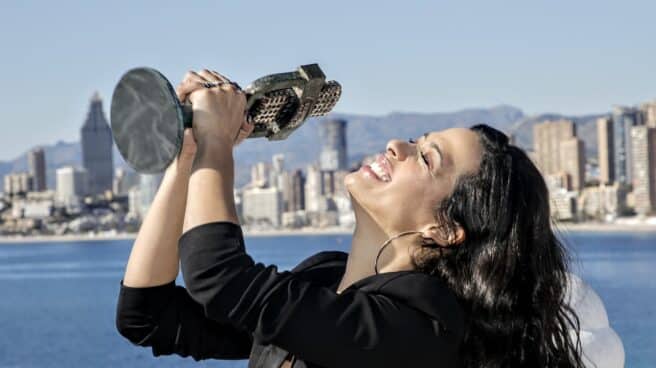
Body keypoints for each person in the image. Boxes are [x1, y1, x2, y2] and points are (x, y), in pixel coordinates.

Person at [115, 69, 585, 368]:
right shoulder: (322, 278)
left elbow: (219, 277)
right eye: (414, 140)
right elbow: (147, 316)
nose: (396, 146)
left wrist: (218, 144)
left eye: (425, 158)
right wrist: (189, 154)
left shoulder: (423, 326)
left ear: (443, 229)